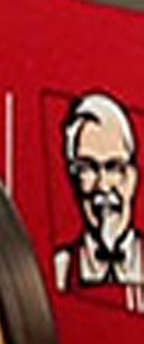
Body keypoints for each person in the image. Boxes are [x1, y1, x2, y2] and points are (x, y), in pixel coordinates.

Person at [55, 92, 144, 313]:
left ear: (132, 177)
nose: (103, 185)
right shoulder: (61, 268)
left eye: (114, 167)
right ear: (74, 178)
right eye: (88, 168)